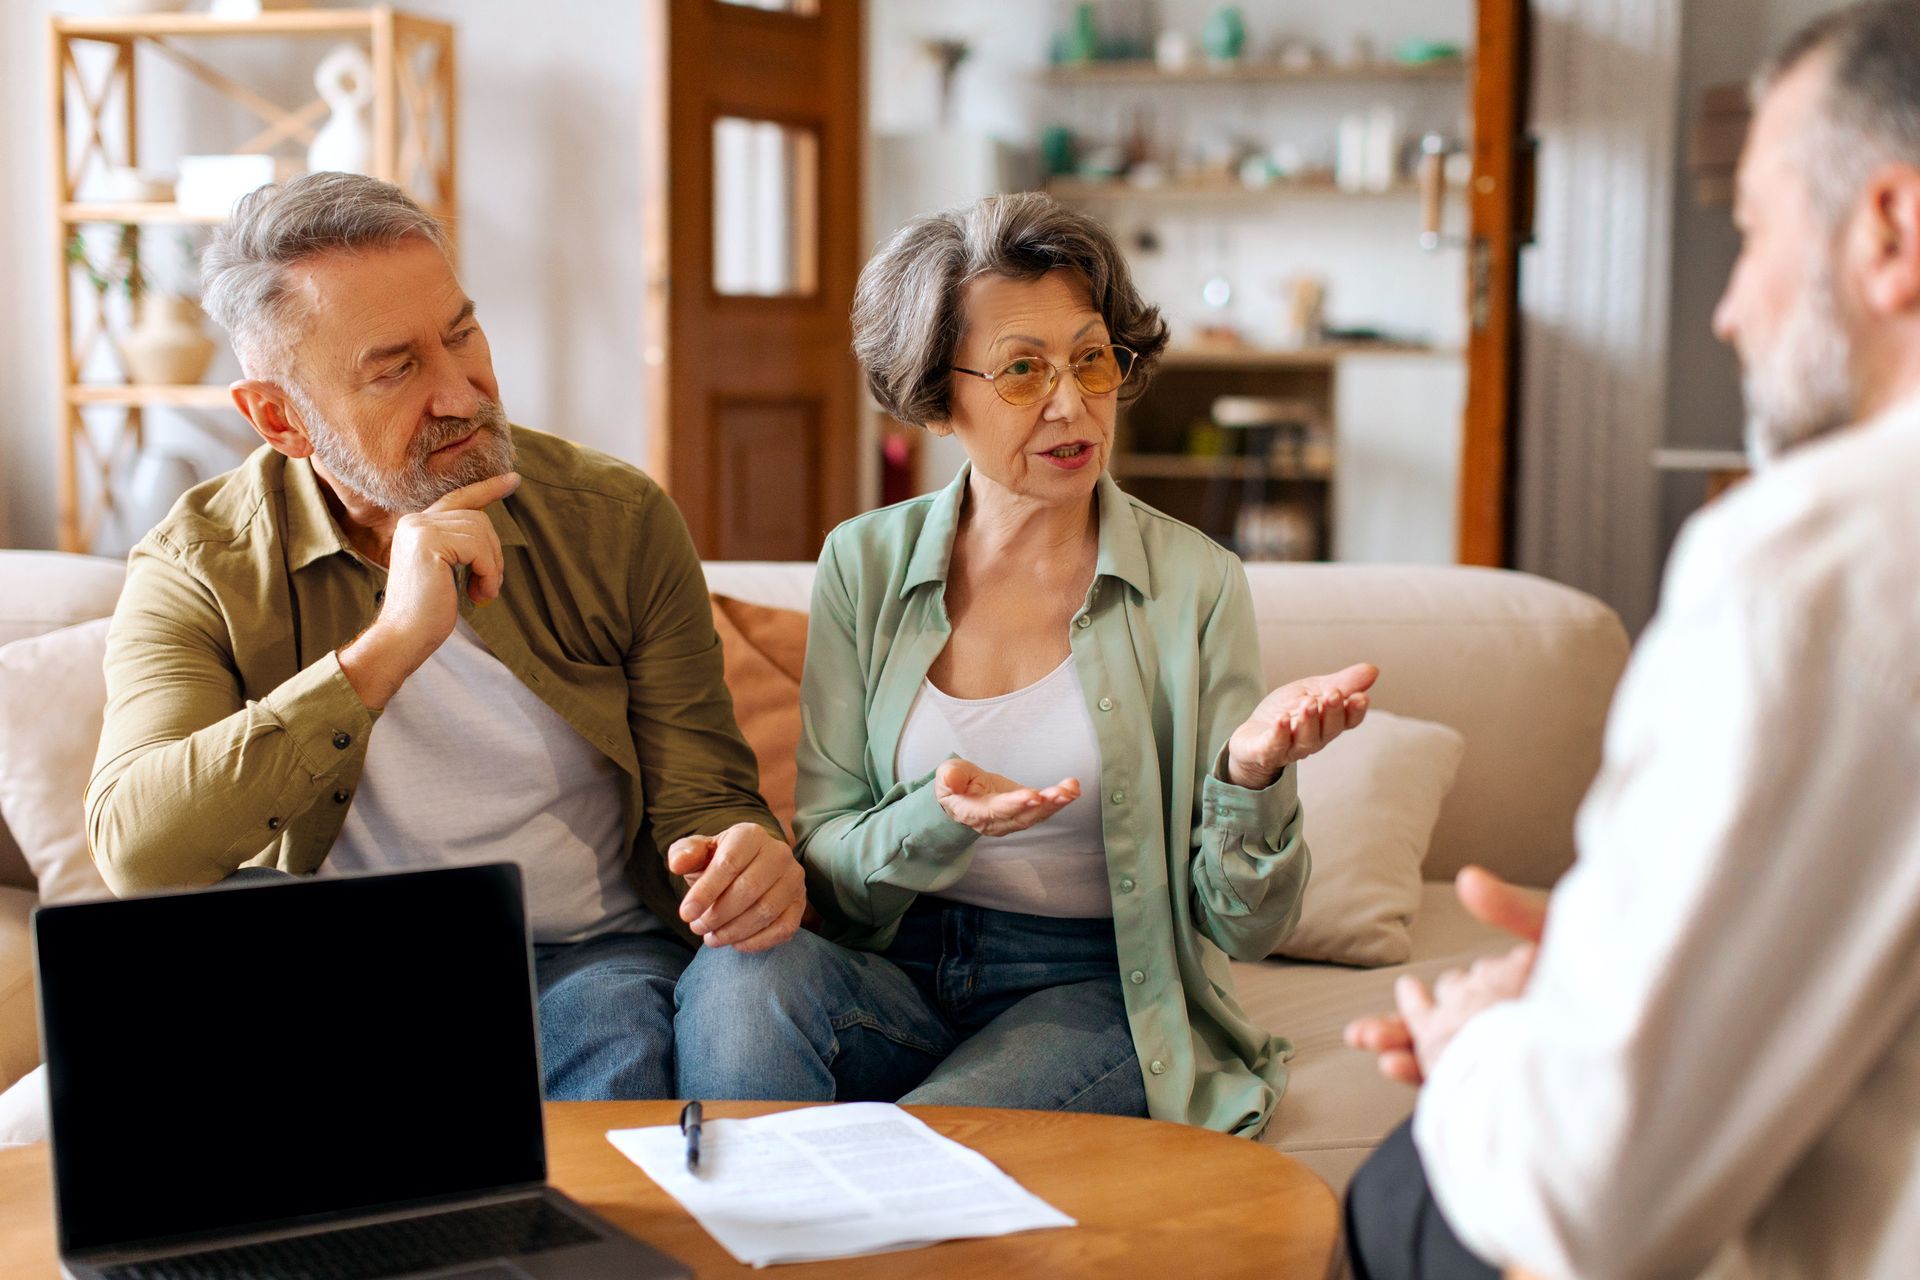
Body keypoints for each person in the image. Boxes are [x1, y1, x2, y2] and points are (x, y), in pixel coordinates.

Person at [1342, 5, 1920, 1275]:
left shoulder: (1815, 557)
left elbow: (1587, 1199)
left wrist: (1482, 1039)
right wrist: (1628, 952)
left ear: (1892, 228)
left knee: (1404, 1196)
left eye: (1755, 232)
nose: (1725, 309)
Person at [84, 172, 807, 1101]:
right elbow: (137, 849)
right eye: (396, 369)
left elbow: (705, 793)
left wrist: (739, 852)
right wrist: (387, 645)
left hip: (583, 955)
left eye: (462, 334)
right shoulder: (199, 565)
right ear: (279, 417)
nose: (462, 393)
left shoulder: (616, 518)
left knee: (612, 1044)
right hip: (334, 959)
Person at [674, 192, 1377, 1132]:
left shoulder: (1197, 584)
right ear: (936, 399)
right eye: (1021, 371)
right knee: (739, 976)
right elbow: (832, 861)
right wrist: (935, 815)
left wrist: (1253, 776)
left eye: (1092, 359)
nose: (1071, 403)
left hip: (1092, 987)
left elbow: (1247, 926)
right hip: (898, 966)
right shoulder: (864, 562)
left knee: (918, 1151)